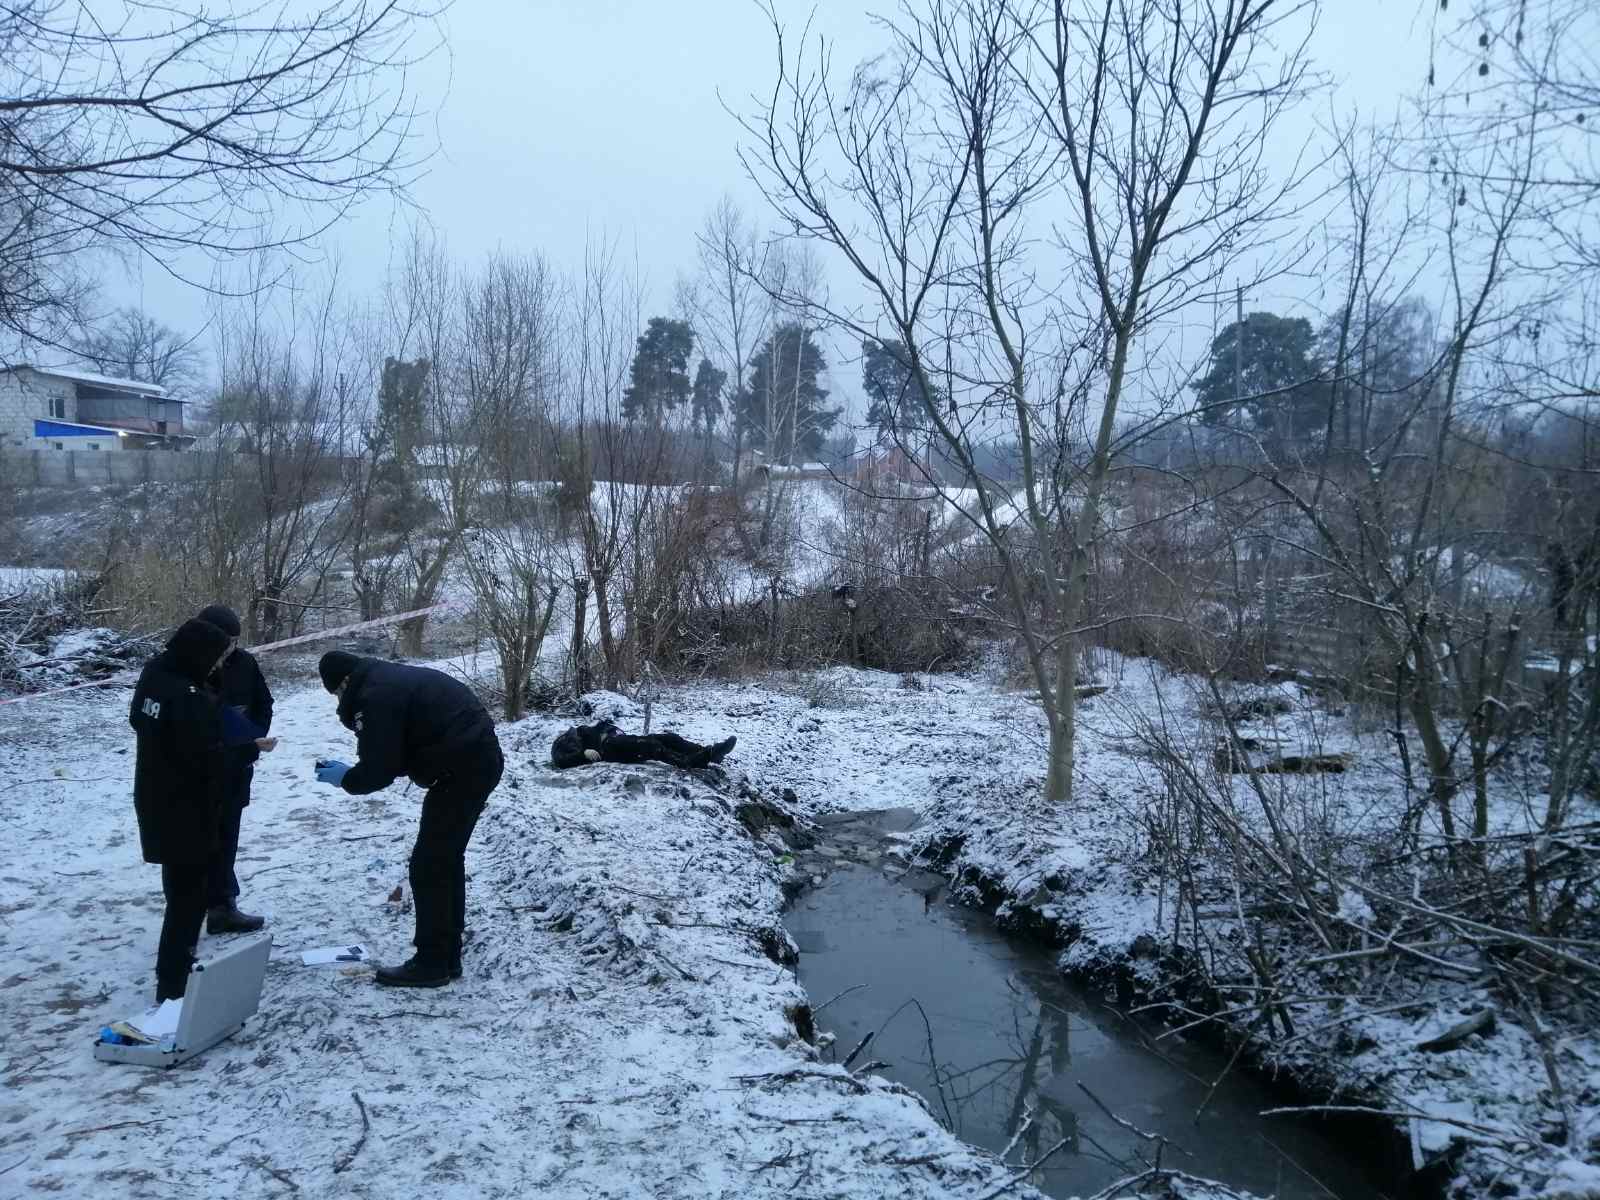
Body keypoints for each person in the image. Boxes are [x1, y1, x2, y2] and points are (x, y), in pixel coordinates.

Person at [312, 650, 503, 989]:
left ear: (343, 684)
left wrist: (347, 779)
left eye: (337, 695)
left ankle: (431, 963)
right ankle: (446, 957)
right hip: (474, 758)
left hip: (464, 766)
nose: (339, 701)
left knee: (429, 865)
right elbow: (400, 749)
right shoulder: (384, 680)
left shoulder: (374, 696)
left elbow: (379, 769)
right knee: (443, 861)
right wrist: (360, 770)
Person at [128, 618, 234, 1003]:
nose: (217, 666)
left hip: (155, 797)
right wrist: (244, 750)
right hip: (187, 806)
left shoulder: (156, 672)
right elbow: (206, 755)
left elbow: (138, 719)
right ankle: (173, 984)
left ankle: (174, 971)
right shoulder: (187, 697)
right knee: (190, 897)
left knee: (179, 890)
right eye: (215, 659)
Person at [194, 604, 275, 935]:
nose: (231, 648)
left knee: (228, 837)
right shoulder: (189, 667)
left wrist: (252, 738)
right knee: (200, 842)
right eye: (225, 641)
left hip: (237, 767)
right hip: (200, 772)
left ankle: (223, 906)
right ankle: (190, 910)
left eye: (235, 642)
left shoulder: (245, 664)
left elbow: (263, 702)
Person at [550, 719, 735, 771]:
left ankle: (710, 752)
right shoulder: (562, 742)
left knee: (670, 738)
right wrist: (583, 754)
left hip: (620, 740)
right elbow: (560, 761)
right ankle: (688, 762)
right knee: (650, 745)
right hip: (609, 748)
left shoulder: (583, 730)